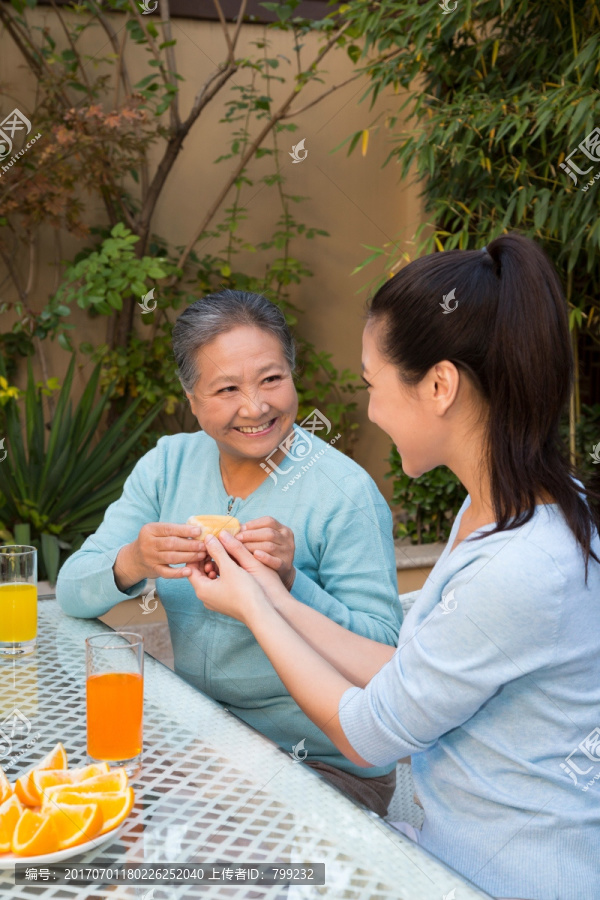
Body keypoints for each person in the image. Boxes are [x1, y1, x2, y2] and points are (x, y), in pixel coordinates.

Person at [184, 236, 600, 900]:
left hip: (507, 879)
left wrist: (254, 610)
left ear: (439, 385)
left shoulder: (525, 566)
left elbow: (371, 733)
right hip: (445, 854)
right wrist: (278, 593)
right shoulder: (501, 507)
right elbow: (409, 673)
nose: (371, 411)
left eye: (373, 385)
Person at [56, 290, 402, 817]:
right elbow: (73, 588)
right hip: (200, 743)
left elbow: (385, 661)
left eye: (271, 379)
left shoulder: (344, 492)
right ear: (191, 399)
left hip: (325, 764)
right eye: (226, 389)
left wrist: (290, 583)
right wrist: (132, 560)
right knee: (80, 820)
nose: (255, 407)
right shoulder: (167, 465)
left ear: (293, 375)